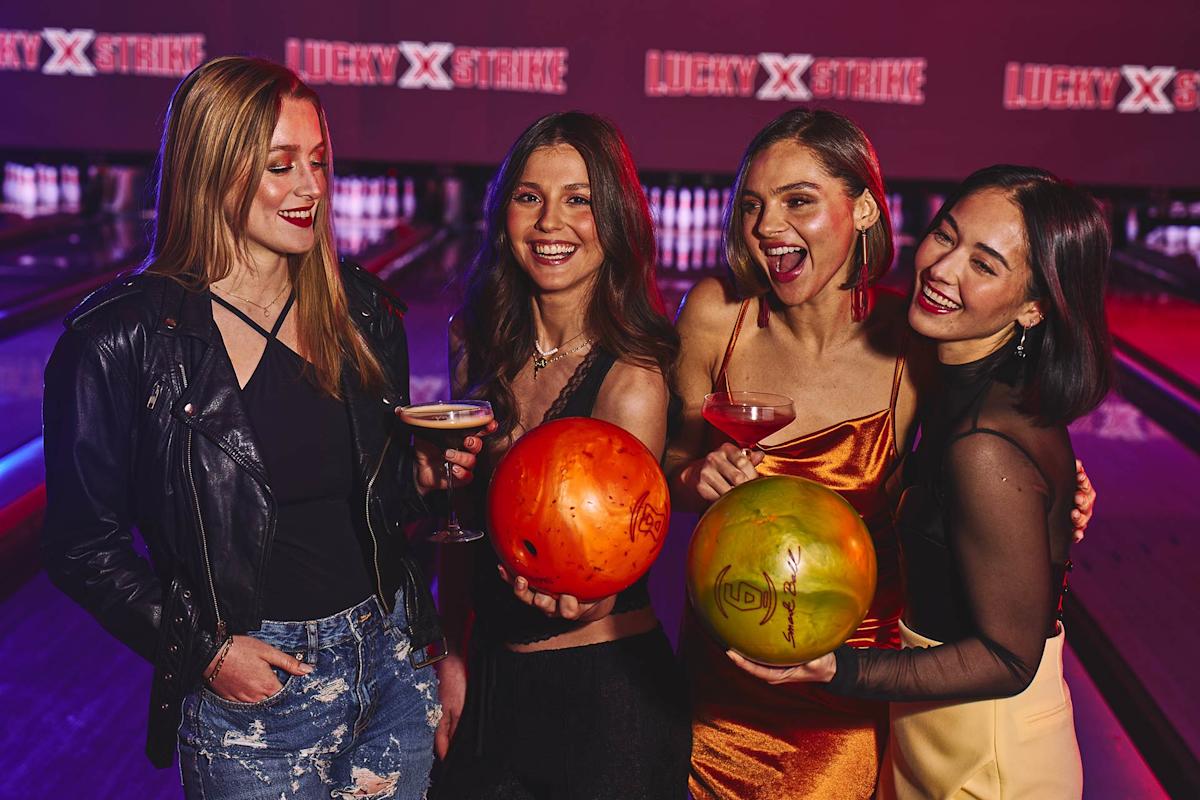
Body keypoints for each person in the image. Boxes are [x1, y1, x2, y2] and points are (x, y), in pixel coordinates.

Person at [41, 56, 484, 800]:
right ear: (212, 169)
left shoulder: (362, 312)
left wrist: (420, 476)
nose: (312, 187)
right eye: (281, 166)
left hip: (390, 665)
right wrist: (205, 653)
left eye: (319, 161)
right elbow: (80, 546)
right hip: (256, 694)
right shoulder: (120, 342)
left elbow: (369, 505)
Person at [666, 109, 1096, 799]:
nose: (768, 226)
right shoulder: (715, 314)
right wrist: (693, 477)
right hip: (726, 661)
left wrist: (1052, 494)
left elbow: (987, 452)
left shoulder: (917, 337)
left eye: (799, 200)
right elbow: (663, 474)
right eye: (752, 204)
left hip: (858, 674)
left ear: (863, 208)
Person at [432, 112, 691, 799]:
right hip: (490, 680)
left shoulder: (632, 381)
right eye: (530, 196)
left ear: (616, 219)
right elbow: (460, 526)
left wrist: (579, 600)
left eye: (579, 199)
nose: (551, 222)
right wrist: (450, 654)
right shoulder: (474, 342)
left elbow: (609, 566)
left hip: (603, 700)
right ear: (504, 212)